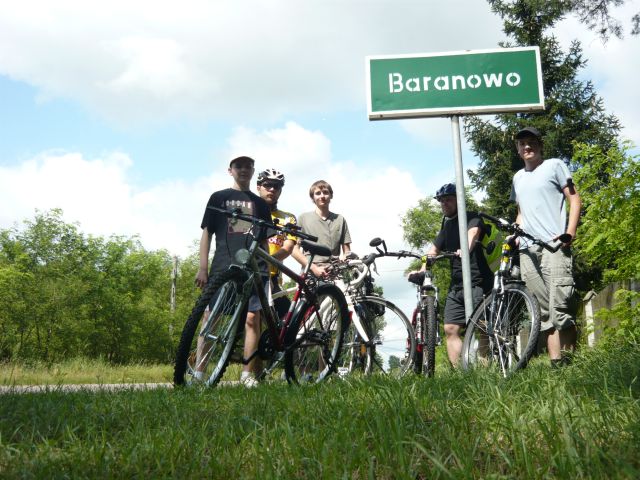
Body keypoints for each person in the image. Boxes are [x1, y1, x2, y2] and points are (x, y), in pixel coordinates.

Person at [195, 155, 272, 387]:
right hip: (223, 266)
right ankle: (199, 373)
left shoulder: (260, 204)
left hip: (255, 269)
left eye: (248, 166)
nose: (244, 169)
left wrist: (268, 271)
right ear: (230, 170)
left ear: (253, 171)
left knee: (252, 319)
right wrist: (202, 268)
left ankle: (247, 375)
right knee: (211, 317)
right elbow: (207, 233)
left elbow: (265, 241)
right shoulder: (219, 197)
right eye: (239, 166)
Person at [511, 127, 581, 367]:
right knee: (543, 314)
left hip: (554, 245)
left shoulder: (554, 166)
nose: (527, 146)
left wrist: (570, 232)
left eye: (532, 142)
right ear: (518, 150)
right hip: (527, 251)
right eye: (522, 143)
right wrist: (515, 233)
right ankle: (556, 366)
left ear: (540, 146)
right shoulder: (518, 178)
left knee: (561, 307)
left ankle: (571, 365)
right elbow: (521, 212)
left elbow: (574, 198)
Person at [408, 183, 493, 367]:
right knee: (450, 328)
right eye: (441, 201)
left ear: (458, 200)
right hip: (457, 286)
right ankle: (461, 372)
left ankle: (485, 368)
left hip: (477, 281)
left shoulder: (471, 217)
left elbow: (473, 233)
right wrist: (422, 270)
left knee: (482, 326)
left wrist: (465, 249)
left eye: (448, 200)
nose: (444, 204)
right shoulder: (446, 227)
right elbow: (433, 251)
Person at [255, 168, 297, 318]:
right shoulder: (249, 212)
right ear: (258, 187)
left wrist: (267, 261)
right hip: (250, 274)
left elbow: (288, 247)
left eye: (277, 186)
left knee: (289, 323)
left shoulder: (288, 218)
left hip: (273, 278)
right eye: (267, 185)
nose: (272, 189)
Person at [293, 180, 352, 277]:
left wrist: (344, 260)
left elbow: (347, 251)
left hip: (335, 272)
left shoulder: (340, 219)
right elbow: (294, 250)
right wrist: (313, 268)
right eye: (318, 193)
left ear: (331, 195)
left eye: (325, 192)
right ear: (312, 197)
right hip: (310, 272)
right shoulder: (303, 218)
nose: (322, 196)